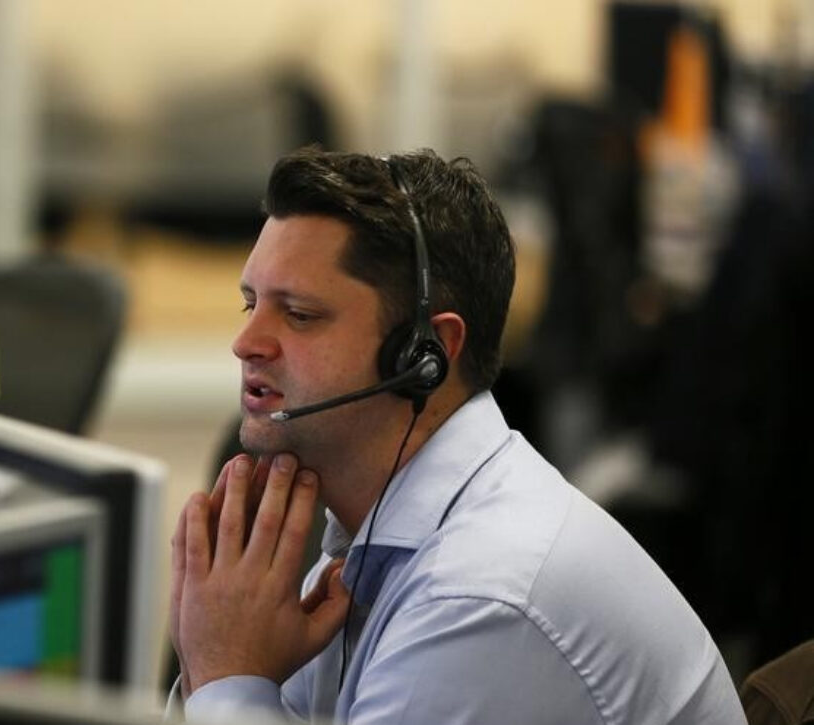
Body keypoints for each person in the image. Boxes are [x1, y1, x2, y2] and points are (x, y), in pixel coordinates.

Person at [168, 146, 747, 724]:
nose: (246, 343)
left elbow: (232, 689)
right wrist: (222, 666)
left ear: (425, 355)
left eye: (299, 314)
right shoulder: (366, 552)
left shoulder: (480, 599)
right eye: (250, 304)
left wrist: (226, 677)